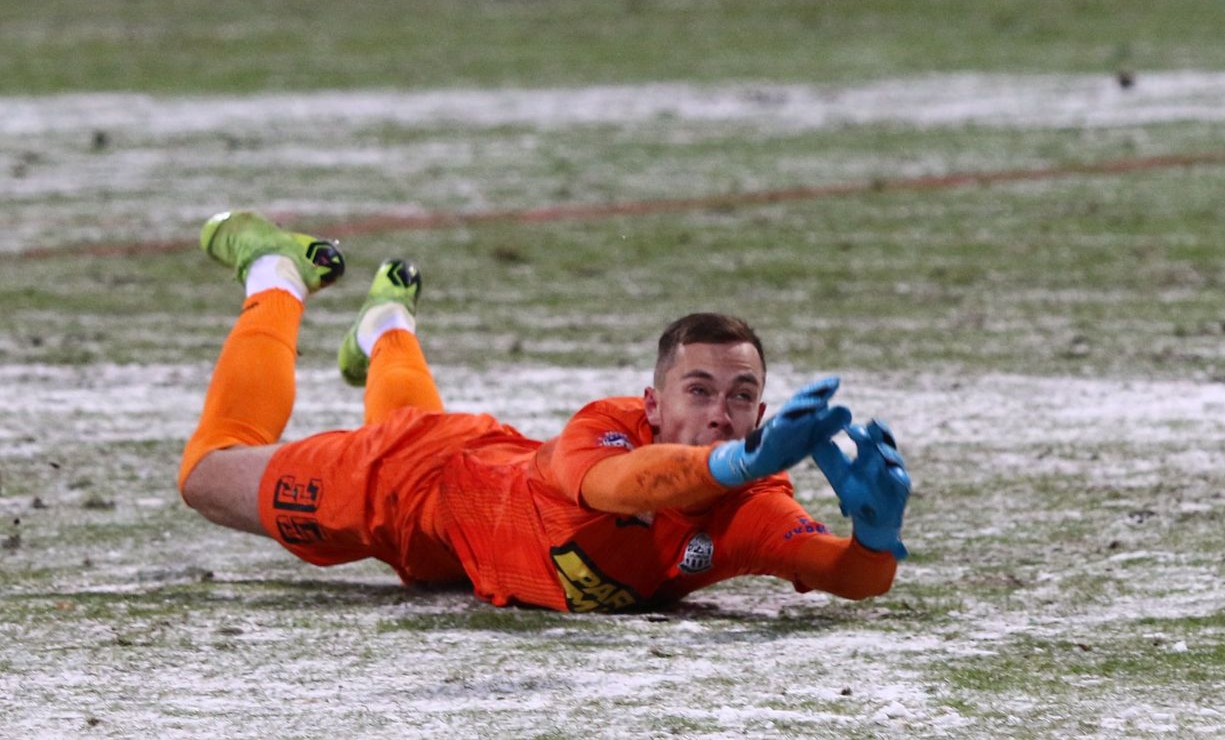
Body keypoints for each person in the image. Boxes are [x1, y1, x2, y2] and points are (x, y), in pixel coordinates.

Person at [177, 210, 911, 613]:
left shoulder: (750, 505)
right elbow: (626, 488)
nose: (721, 410)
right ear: (651, 403)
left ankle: (385, 330)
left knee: (409, 430)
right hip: (409, 485)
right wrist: (737, 461)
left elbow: (849, 578)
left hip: (465, 541)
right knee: (207, 473)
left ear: (763, 411)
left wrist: (874, 538)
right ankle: (278, 275)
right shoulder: (605, 431)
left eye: (741, 396)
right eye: (699, 390)